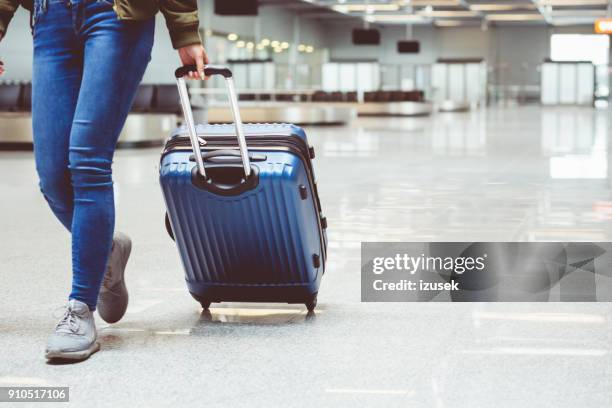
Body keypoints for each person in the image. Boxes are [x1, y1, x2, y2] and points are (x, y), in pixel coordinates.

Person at [0, 0, 208, 361]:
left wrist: (184, 29)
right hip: (50, 18)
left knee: (87, 161)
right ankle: (107, 250)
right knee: (51, 176)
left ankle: (81, 307)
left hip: (114, 16)